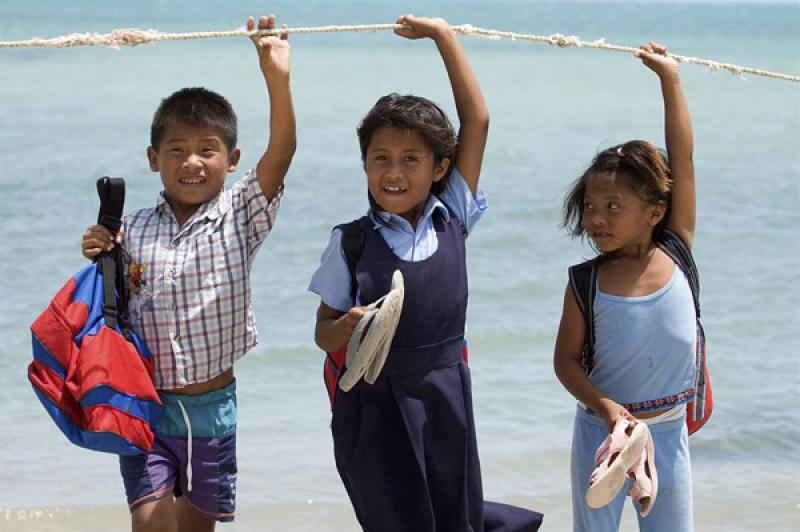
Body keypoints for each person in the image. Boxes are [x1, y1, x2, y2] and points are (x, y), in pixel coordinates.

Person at [309, 14, 542, 532]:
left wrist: (443, 37)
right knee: (393, 519)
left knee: (452, 516)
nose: (393, 172)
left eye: (411, 158)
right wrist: (345, 327)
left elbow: (477, 120)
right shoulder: (351, 242)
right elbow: (322, 332)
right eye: (380, 158)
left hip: (444, 396)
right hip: (371, 404)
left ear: (440, 167)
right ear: (364, 163)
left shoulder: (453, 215)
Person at [80, 15, 295, 532]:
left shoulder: (242, 213)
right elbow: (108, 298)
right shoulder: (129, 229)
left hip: (211, 409)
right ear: (154, 159)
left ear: (232, 158)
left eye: (207, 149)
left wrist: (276, 77)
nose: (192, 162)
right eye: (176, 150)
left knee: (196, 528)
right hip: (145, 405)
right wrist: (97, 249)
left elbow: (281, 154)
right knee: (152, 525)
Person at [553, 43, 697, 531]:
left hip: (667, 431)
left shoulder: (677, 250)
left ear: (655, 212)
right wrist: (606, 408)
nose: (597, 218)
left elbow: (683, 156)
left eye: (614, 207)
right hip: (601, 433)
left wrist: (669, 80)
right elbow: (565, 361)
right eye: (591, 206)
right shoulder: (586, 282)